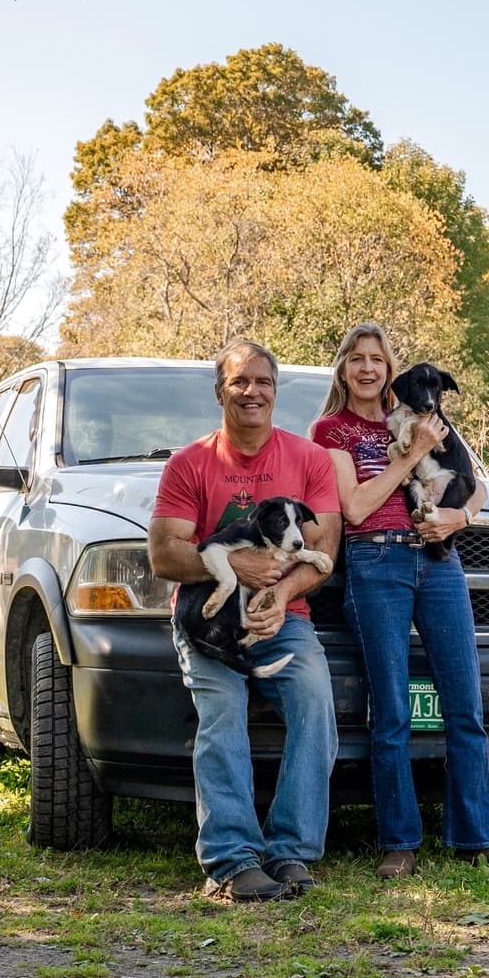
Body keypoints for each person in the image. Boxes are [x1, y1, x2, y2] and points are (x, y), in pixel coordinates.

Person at [312, 322, 489, 879]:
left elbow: (478, 483)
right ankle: (399, 842)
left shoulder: (423, 411)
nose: (367, 368)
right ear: (343, 368)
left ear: (390, 370)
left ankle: (476, 839)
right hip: (376, 562)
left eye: (377, 359)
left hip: (440, 560)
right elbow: (354, 507)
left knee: (465, 704)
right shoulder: (331, 430)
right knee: (392, 710)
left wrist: (458, 517)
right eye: (357, 358)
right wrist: (413, 453)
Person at [149, 339, 341, 903]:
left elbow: (325, 549)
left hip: (285, 620)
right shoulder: (189, 463)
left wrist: (280, 595)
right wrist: (234, 564)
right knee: (224, 713)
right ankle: (232, 860)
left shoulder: (309, 459)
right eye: (239, 381)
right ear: (220, 392)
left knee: (314, 701)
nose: (251, 391)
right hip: (208, 624)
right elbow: (163, 554)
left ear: (276, 392)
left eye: (263, 382)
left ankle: (290, 851)